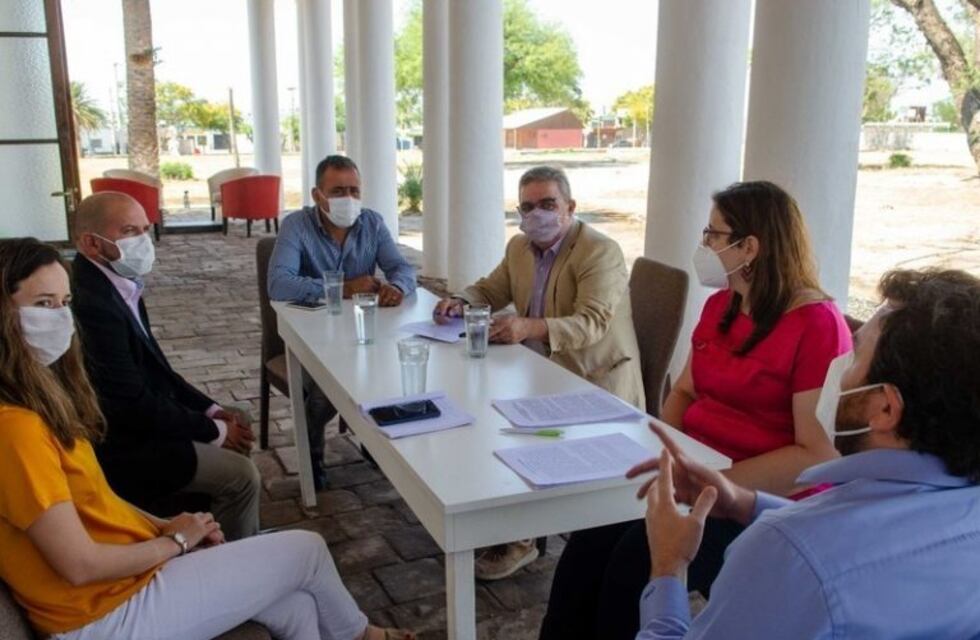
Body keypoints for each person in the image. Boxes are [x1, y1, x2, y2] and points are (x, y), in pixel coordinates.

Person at [0, 237, 414, 640]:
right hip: (98, 617)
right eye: (42, 304)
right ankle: (361, 635)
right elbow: (79, 565)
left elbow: (96, 504)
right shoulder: (15, 428)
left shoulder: (38, 404)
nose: (60, 319)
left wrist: (172, 526)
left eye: (64, 304)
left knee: (298, 606)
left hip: (119, 586)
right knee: (307, 550)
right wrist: (178, 542)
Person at [539, 180, 851, 639]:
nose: (703, 245)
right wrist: (671, 457)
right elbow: (684, 392)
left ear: (750, 247)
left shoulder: (817, 325)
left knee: (632, 562)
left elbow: (815, 454)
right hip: (693, 473)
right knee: (588, 541)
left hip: (753, 501)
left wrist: (712, 486)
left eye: (713, 235)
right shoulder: (722, 304)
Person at [634, 267, 980, 638]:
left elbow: (816, 556)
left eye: (854, 353)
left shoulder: (784, 554)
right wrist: (747, 503)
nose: (839, 367)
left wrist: (669, 569)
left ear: (884, 409)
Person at [434, 165, 645, 581]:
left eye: (548, 204)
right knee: (472, 407)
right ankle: (499, 514)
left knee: (503, 423)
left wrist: (528, 326)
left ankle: (521, 538)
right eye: (527, 207)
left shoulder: (598, 251)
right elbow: (490, 289)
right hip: (535, 370)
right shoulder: (519, 248)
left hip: (593, 381)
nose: (538, 214)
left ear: (570, 206)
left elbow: (592, 323)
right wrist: (460, 300)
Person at [71, 192, 261, 541]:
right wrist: (214, 432)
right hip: (122, 444)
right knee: (242, 475)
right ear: (91, 243)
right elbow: (129, 404)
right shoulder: (90, 304)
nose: (142, 241)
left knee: (237, 417)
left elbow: (160, 371)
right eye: (129, 231)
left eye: (145, 229)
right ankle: (232, 565)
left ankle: (219, 522)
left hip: (141, 418)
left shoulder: (119, 284)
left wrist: (213, 411)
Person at [268, 155, 417, 490]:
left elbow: (403, 269)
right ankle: (313, 457)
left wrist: (397, 287)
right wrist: (342, 288)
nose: (348, 199)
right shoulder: (297, 226)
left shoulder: (372, 223)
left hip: (367, 334)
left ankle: (377, 440)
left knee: (399, 366)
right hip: (314, 338)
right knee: (326, 388)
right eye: (338, 191)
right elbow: (278, 284)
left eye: (354, 190)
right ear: (317, 195)